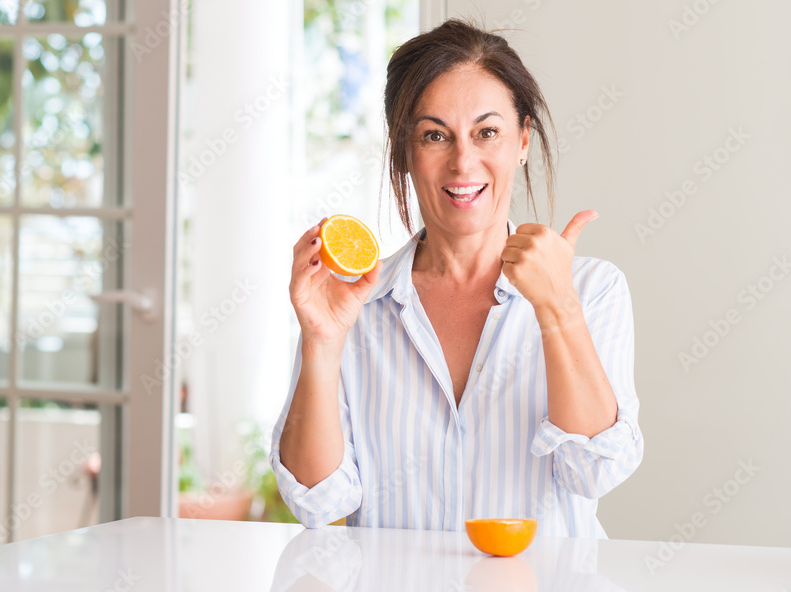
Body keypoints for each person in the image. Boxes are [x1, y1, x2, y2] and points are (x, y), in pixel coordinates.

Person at [269, 18, 643, 537]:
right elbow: (317, 503)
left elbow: (594, 472)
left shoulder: (593, 290)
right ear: (405, 151)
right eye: (435, 135)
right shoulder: (354, 305)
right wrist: (322, 342)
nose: (463, 162)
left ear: (522, 140)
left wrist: (558, 308)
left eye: (487, 132)